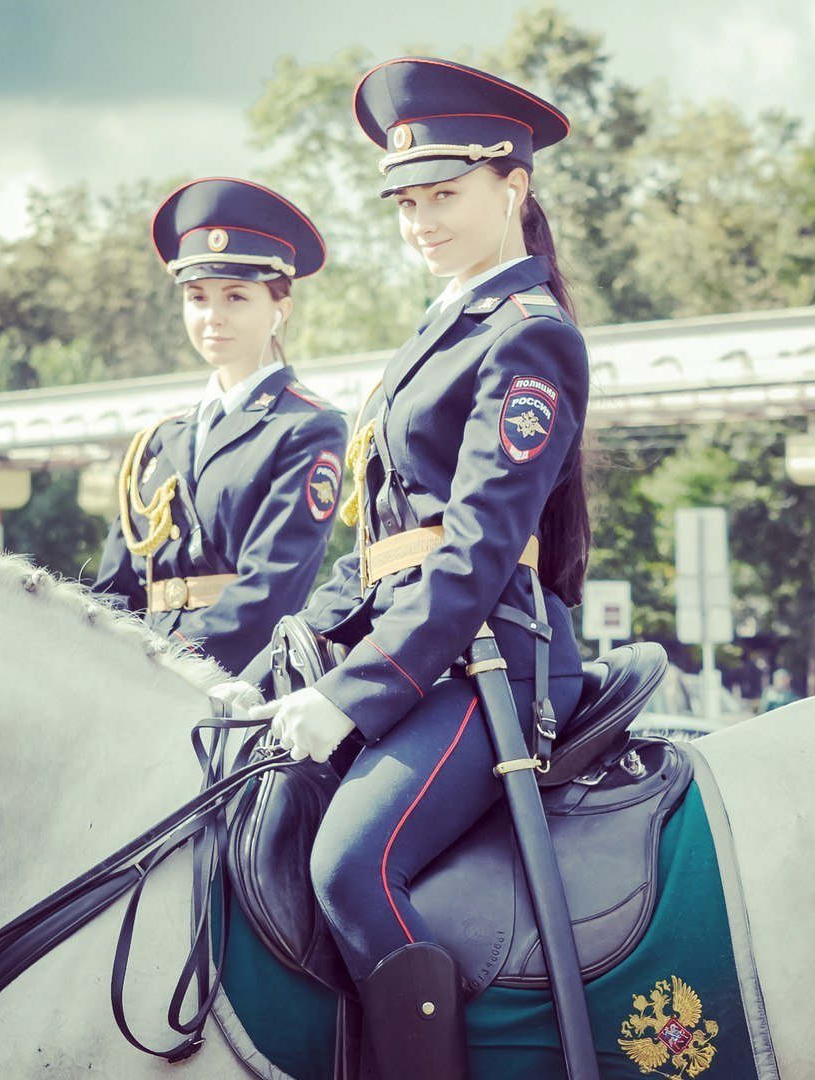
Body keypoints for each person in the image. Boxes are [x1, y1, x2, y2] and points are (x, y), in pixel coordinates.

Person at [217, 58, 591, 1078]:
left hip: (491, 667)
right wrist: (289, 660)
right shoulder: (441, 326)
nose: (421, 221)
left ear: (513, 186)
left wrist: (361, 692)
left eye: (446, 195)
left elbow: (474, 552)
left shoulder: (529, 337)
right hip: (427, 649)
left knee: (349, 865)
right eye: (408, 202)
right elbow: (384, 546)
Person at [93, 178, 347, 675]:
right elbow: (112, 587)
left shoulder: (307, 428)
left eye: (235, 297)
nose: (212, 317)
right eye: (197, 297)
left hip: (236, 682)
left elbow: (270, 589)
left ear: (280, 310)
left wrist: (162, 666)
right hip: (133, 677)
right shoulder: (159, 440)